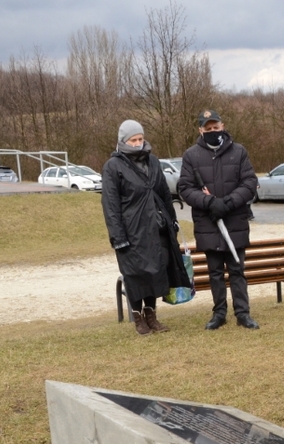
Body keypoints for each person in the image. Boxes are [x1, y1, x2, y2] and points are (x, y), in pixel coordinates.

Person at [101, 119, 188, 336]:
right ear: (123, 141)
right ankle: (138, 318)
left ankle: (152, 316)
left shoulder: (153, 162)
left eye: (140, 139)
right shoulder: (113, 167)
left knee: (155, 273)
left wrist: (172, 221)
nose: (138, 143)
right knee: (135, 275)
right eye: (133, 140)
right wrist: (118, 236)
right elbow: (110, 205)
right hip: (131, 232)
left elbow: (164, 195)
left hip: (156, 229)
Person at [177, 109, 260, 331]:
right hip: (208, 224)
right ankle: (219, 313)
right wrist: (210, 203)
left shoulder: (239, 152)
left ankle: (243, 313)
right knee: (215, 272)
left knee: (237, 270)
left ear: (223, 127)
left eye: (216, 127)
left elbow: (249, 183)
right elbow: (185, 188)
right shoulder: (191, 155)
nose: (213, 131)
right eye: (208, 128)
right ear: (200, 130)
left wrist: (228, 203)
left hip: (234, 222)